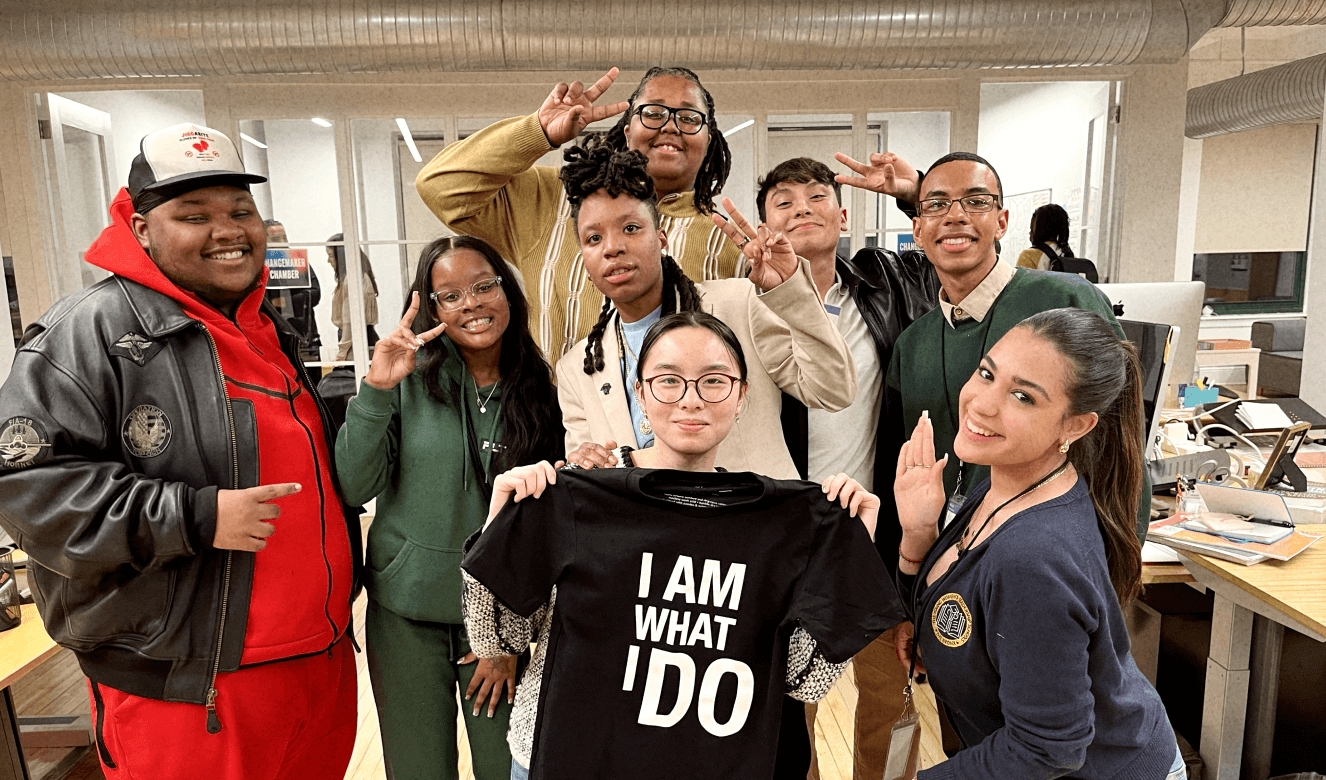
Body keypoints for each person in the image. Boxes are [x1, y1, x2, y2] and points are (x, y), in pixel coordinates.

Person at [0, 122, 360, 780]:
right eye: (193, 215)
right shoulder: (88, 332)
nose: (227, 230)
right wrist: (192, 517)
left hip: (317, 668)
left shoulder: (264, 327)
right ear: (139, 229)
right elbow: (29, 489)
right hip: (191, 689)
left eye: (240, 211)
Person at [462, 311, 904, 780]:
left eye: (714, 381)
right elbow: (498, 639)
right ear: (641, 394)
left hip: (706, 764)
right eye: (668, 381)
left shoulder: (780, 524)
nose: (690, 400)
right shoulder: (578, 495)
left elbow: (804, 678)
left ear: (740, 397)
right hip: (571, 757)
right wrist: (499, 526)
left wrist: (849, 552)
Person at [892, 307, 1185, 780]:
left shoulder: (1031, 558)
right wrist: (920, 535)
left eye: (1023, 397)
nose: (982, 404)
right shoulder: (1006, 479)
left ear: (1075, 426)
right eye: (987, 373)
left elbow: (1045, 750)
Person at [335, 235, 562, 780]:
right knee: (417, 769)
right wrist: (375, 389)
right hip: (405, 610)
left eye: (485, 287)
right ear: (429, 307)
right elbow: (352, 485)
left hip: (500, 621)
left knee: (504, 767)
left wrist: (508, 639)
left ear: (509, 292)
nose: (472, 305)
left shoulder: (542, 387)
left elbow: (548, 526)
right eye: (450, 295)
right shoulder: (405, 380)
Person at [755, 156, 939, 780]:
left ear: (841, 213)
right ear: (762, 224)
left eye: (816, 195)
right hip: (779, 542)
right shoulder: (744, 306)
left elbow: (950, 253)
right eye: (783, 200)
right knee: (785, 707)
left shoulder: (887, 283)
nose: (802, 207)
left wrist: (915, 194)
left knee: (890, 700)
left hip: (870, 535)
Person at [556, 139, 855, 480]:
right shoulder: (577, 370)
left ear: (661, 239)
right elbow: (587, 479)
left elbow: (833, 390)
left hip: (757, 526)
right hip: (649, 533)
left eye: (631, 228)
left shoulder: (737, 305)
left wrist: (792, 292)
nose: (612, 247)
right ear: (584, 260)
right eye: (594, 238)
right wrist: (586, 461)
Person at [416, 66, 745, 359]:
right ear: (628, 130)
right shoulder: (553, 198)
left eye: (689, 118)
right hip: (550, 422)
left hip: (672, 423)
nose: (670, 126)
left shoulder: (729, 241)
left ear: (709, 140)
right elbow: (440, 186)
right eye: (654, 113)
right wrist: (538, 132)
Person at [263, 218, 322, 358]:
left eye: (284, 237)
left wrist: (286, 301)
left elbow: (315, 293)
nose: (283, 242)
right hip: (274, 335)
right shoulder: (258, 266)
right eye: (276, 239)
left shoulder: (297, 260)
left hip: (305, 333)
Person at [327, 231, 380, 360]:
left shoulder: (353, 280)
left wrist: (342, 351)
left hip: (356, 340)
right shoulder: (358, 277)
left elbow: (350, 320)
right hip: (359, 338)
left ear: (342, 257)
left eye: (331, 256)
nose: (328, 261)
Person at [1015, 203, 1074, 271]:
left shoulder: (1029, 256)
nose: (1030, 233)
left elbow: (1021, 281)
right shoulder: (1073, 259)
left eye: (1032, 228)